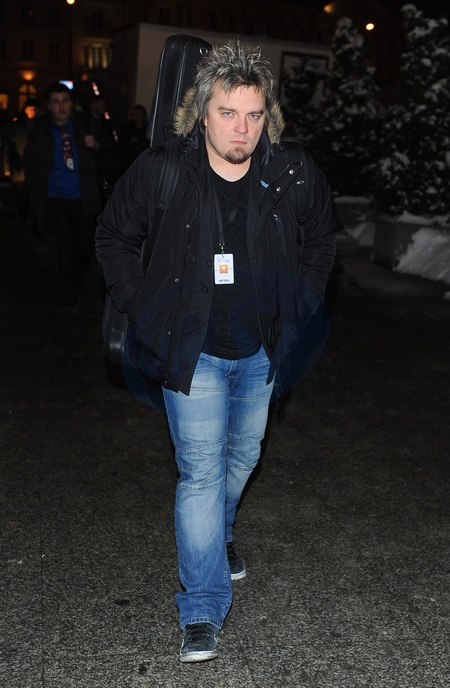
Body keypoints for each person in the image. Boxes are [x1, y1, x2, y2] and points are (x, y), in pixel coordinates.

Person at [96, 41, 342, 662]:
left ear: (267, 117)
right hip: (192, 350)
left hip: (262, 349)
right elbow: (114, 236)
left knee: (243, 457)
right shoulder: (162, 169)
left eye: (254, 115)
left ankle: (223, 531)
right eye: (228, 113)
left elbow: (321, 240)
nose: (242, 129)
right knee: (201, 472)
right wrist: (144, 309)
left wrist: (301, 305)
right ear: (202, 112)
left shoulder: (291, 173)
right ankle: (202, 607)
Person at [24, 82, 102, 309]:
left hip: (83, 195)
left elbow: (109, 149)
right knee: (65, 242)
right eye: (56, 102)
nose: (61, 107)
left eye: (65, 101)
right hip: (56, 196)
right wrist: (35, 191)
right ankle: (68, 289)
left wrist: (96, 144)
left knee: (86, 244)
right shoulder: (40, 130)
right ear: (49, 105)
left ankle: (74, 277)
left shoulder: (83, 124)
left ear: (71, 103)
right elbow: (30, 163)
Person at [3, 97, 41, 235]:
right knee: (23, 199)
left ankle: (35, 226)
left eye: (35, 109)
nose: (33, 111)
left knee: (36, 200)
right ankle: (24, 221)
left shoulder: (42, 127)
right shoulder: (17, 127)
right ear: (25, 110)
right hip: (21, 171)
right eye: (31, 108)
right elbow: (8, 148)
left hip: (37, 171)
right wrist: (7, 169)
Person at [118, 103, 149, 172]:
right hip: (128, 162)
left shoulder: (148, 129)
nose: (139, 117)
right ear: (132, 115)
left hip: (143, 161)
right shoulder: (126, 128)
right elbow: (122, 145)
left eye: (141, 115)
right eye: (137, 115)